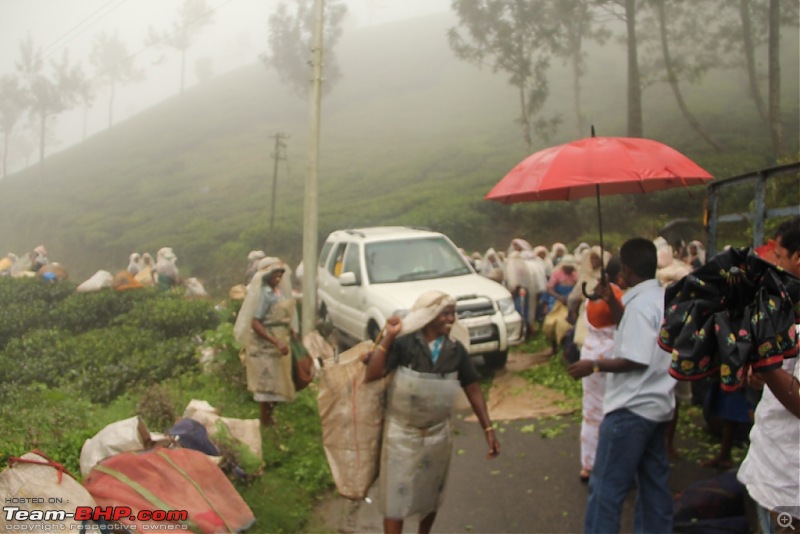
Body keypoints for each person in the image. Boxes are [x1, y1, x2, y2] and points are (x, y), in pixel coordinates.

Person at [363, 290, 500, 534]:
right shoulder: (405, 344)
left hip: (438, 435)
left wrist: (488, 429)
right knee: (396, 497)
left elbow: (473, 389)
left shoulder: (456, 351)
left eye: (453, 314)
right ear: (429, 315)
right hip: (401, 435)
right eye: (445, 314)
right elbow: (372, 373)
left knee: (430, 495)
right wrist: (388, 338)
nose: (451, 319)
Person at [568, 237, 676, 533]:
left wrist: (594, 365)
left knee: (605, 491)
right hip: (657, 406)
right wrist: (611, 302)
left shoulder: (641, 306)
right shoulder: (659, 297)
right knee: (654, 487)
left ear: (626, 270)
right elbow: (630, 326)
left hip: (631, 408)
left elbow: (637, 357)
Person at [737, 216, 800, 533]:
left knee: (787, 528)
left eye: (778, 256)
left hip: (792, 489)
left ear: (798, 258)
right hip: (778, 469)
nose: (774, 264)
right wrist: (768, 376)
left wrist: (766, 362)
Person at [234, 257, 299, 426]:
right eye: (275, 274)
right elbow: (255, 322)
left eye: (280, 274)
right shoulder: (263, 294)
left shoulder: (278, 292)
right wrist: (275, 342)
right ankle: (265, 421)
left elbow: (281, 314)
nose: (278, 277)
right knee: (267, 385)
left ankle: (271, 418)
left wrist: (291, 330)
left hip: (279, 339)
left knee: (278, 381)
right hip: (265, 345)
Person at [575, 256, 622, 483]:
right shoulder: (616, 296)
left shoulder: (593, 293)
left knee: (591, 413)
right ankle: (611, 464)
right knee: (612, 411)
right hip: (611, 357)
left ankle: (588, 464)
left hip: (590, 352)